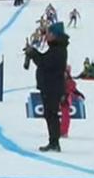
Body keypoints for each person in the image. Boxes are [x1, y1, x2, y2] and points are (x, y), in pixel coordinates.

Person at [24, 22, 69, 152]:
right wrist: (34, 53)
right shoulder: (56, 47)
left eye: (49, 33)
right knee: (49, 114)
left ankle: (54, 142)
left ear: (55, 35)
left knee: (52, 114)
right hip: (49, 85)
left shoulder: (59, 49)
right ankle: (53, 141)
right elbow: (44, 60)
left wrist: (34, 54)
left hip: (52, 86)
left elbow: (45, 63)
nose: (47, 35)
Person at [60, 66, 85, 139]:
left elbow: (73, 91)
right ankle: (59, 130)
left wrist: (79, 95)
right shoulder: (59, 81)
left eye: (66, 72)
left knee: (65, 117)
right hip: (59, 99)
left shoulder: (70, 82)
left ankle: (63, 131)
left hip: (66, 101)